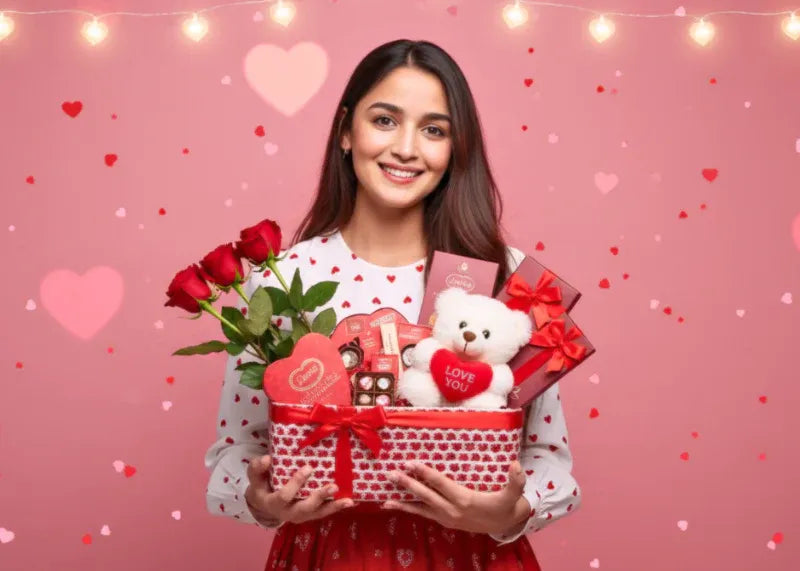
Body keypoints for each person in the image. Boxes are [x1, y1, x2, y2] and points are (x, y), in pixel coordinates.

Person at [204, 39, 581, 570]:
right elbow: (235, 449)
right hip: (329, 554)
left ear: (456, 149)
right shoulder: (283, 280)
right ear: (344, 130)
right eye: (385, 120)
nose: (406, 148)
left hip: (470, 557)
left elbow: (549, 460)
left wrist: (508, 513)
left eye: (434, 130)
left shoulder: (506, 277)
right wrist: (260, 500)